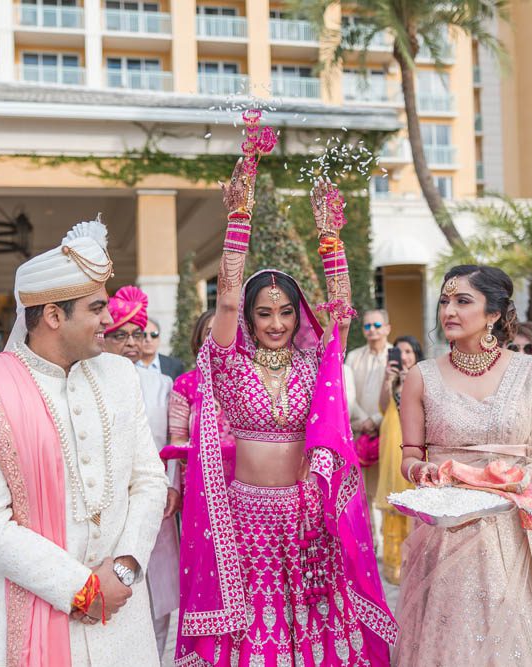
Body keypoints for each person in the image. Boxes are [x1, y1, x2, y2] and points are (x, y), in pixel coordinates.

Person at [174, 155, 397, 665]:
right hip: (245, 516)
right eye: (264, 313)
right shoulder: (230, 363)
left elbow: (341, 312)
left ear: (298, 316)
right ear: (249, 319)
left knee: (312, 620)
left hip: (305, 514)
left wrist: (331, 239)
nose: (276, 323)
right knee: (253, 626)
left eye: (286, 312)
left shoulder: (314, 365)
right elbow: (225, 302)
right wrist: (239, 218)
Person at [0, 219, 168, 666]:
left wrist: (124, 568)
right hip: (28, 604)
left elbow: (148, 481)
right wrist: (81, 588)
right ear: (53, 316)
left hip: (120, 613)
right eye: (96, 308)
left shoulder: (121, 376)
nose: (109, 320)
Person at [394, 265, 532, 665]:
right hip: (448, 532)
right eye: (444, 301)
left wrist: (526, 475)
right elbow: (409, 457)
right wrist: (420, 471)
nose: (448, 311)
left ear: (493, 313)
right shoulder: (421, 377)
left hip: (517, 529)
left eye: (462, 301)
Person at [103, 285, 180, 660]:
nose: (132, 343)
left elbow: (176, 443)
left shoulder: (162, 385)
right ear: (103, 337)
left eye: (138, 334)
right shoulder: (90, 384)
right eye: (121, 335)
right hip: (109, 505)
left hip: (157, 503)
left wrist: (173, 487)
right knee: (116, 586)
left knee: (158, 595)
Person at [162, 309, 235, 486]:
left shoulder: (250, 380)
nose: (219, 338)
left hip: (245, 478)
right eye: (210, 333)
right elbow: (178, 441)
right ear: (199, 340)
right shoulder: (185, 384)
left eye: (227, 330)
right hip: (200, 481)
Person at [374, 334, 423, 585]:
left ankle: (414, 567)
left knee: (413, 503)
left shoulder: (423, 380)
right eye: (399, 351)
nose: (403, 356)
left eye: (408, 352)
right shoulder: (391, 380)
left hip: (412, 449)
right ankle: (394, 570)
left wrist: (408, 383)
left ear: (416, 355)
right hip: (391, 449)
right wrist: (388, 381)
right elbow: (383, 408)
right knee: (393, 501)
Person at [344, 309, 392, 543]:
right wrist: (365, 420)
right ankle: (370, 542)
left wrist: (376, 419)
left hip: (387, 431)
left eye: (377, 325)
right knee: (362, 489)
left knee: (386, 485)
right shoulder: (354, 357)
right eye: (367, 326)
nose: (372, 330)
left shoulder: (395, 355)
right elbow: (347, 393)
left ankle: (387, 542)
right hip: (359, 431)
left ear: (387, 328)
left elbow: (398, 394)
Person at [139, 317, 186, 382]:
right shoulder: (128, 364)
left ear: (159, 338)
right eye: (143, 335)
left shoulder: (175, 365)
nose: (148, 339)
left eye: (154, 335)